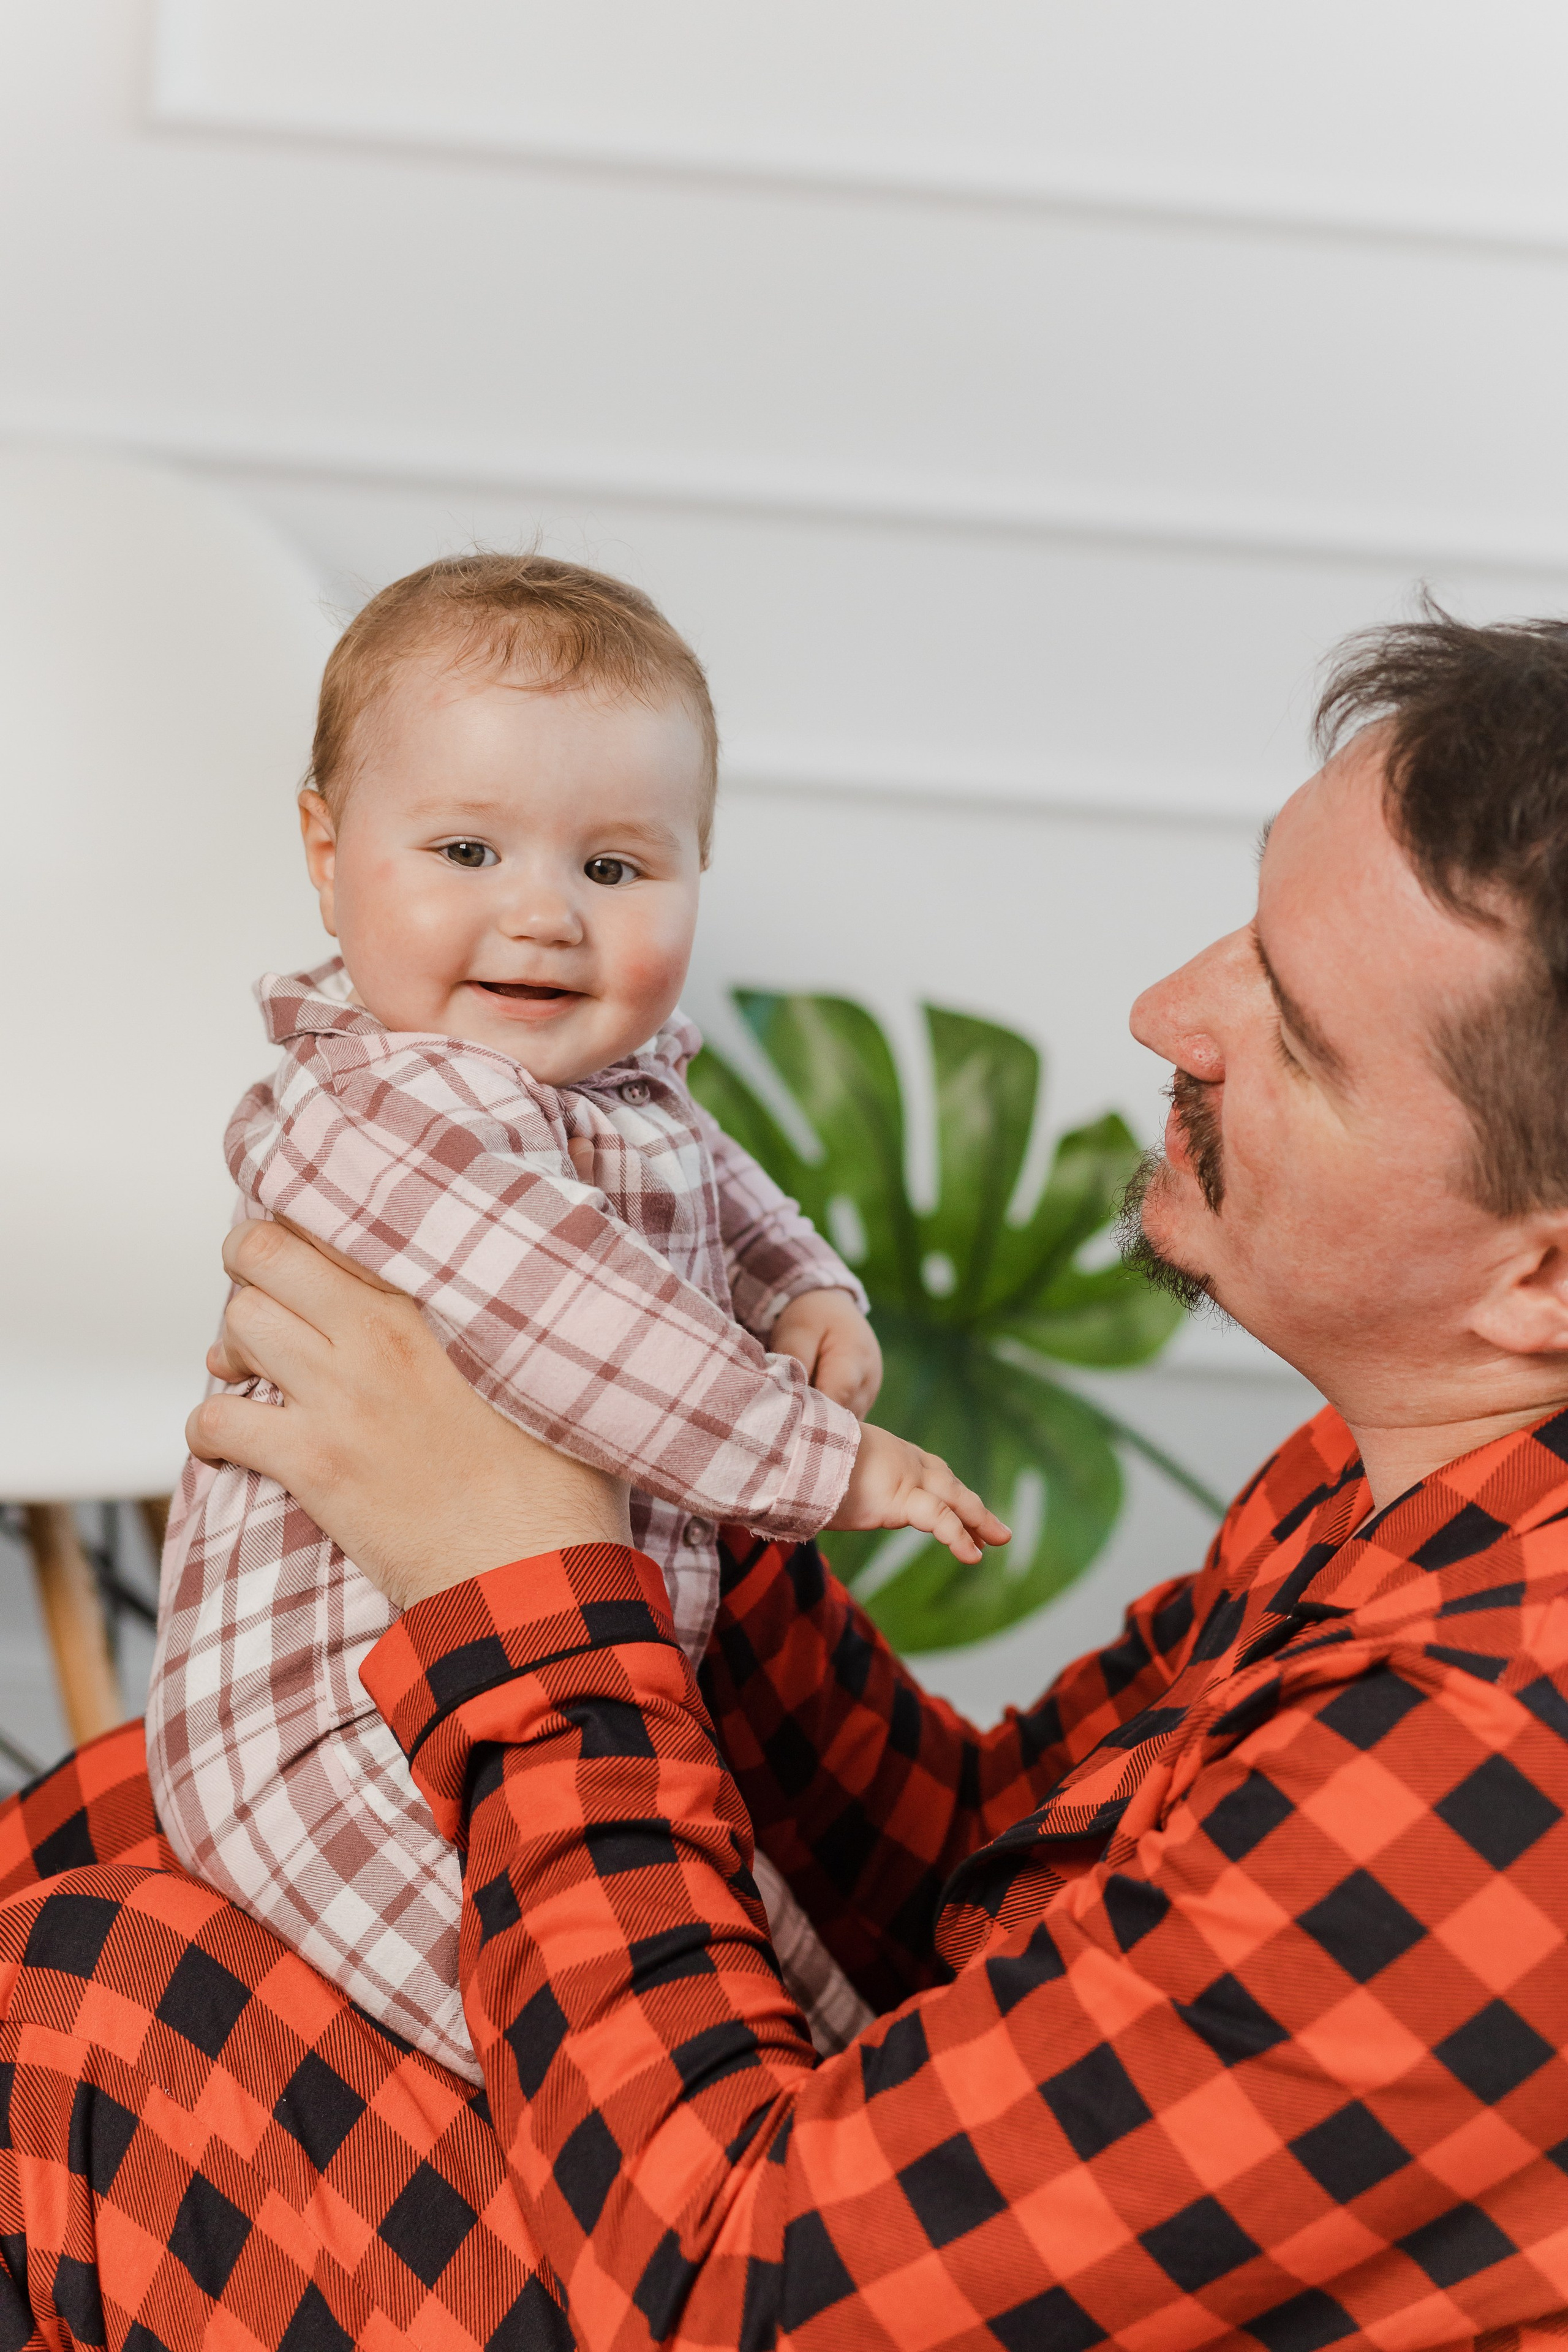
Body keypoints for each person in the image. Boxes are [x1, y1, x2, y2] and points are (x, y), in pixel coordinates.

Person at [3, 606, 1568, 2350]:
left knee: (109, 1996)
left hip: (747, 2283)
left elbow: (741, 2291)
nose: (1166, 1013)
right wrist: (639, 1479)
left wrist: (519, 1590)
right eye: (1246, 928)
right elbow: (979, 1885)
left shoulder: (1508, 1756)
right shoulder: (1426, 1481)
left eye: (1291, 1023)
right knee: (124, 1816)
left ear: (1546, 1276)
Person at [145, 552, 1006, 2078]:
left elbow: (715, 1171)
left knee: (762, 1973)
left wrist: (803, 1281)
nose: (541, 917)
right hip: (337, 1722)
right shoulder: (396, 1102)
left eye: (612, 870)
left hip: (534, 1691)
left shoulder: (606, 1085)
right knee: (573, 2043)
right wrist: (826, 1462)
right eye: (468, 850)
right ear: (327, 854)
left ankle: (838, 2143)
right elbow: (572, 1313)